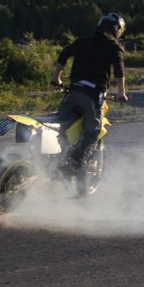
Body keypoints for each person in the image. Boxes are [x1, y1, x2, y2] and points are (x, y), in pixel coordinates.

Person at [51, 12, 128, 175]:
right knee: (93, 132)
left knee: (61, 125)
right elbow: (118, 68)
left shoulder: (83, 41)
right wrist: (121, 92)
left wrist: (56, 77)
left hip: (73, 92)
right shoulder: (114, 46)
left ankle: (55, 158)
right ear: (117, 30)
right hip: (92, 95)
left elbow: (64, 52)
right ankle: (73, 164)